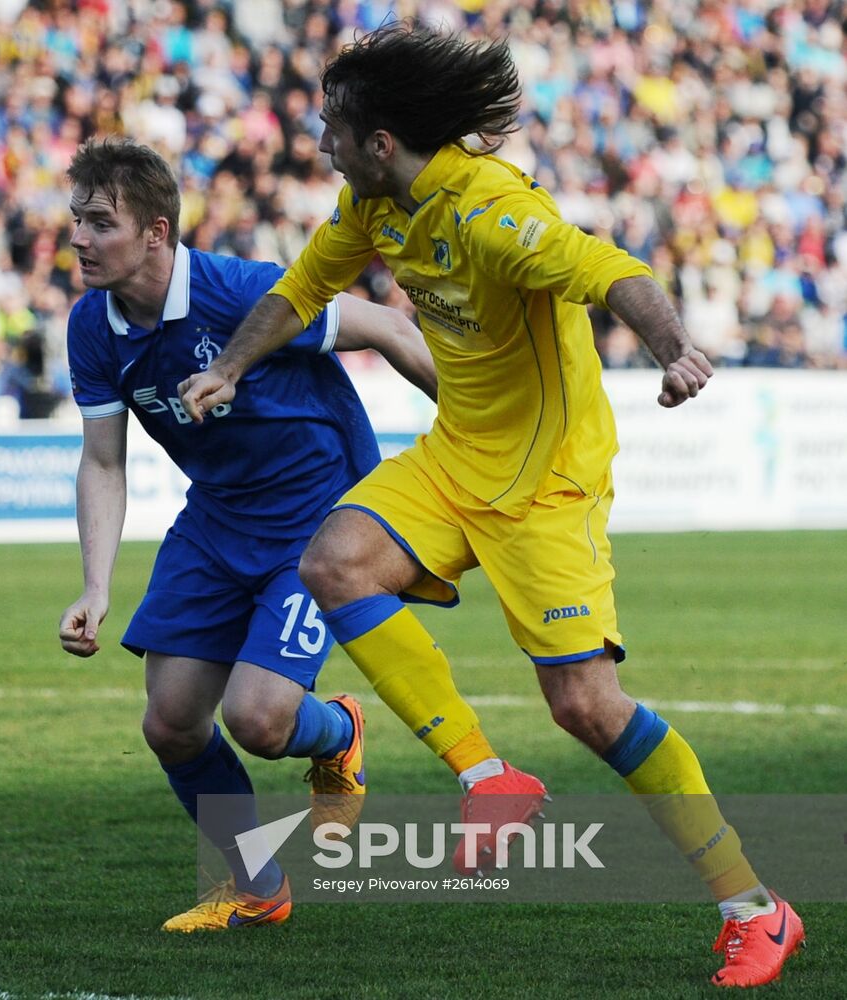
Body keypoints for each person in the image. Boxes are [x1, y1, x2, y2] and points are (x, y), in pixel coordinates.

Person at [179, 23, 801, 987]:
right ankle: (486, 778)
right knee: (333, 559)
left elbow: (610, 271)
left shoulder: (490, 212)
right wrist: (226, 365)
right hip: (456, 453)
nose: (318, 142)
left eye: (333, 128)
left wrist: (672, 347)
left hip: (547, 480)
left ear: (380, 141)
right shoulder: (371, 205)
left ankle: (754, 908)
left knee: (587, 708)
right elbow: (299, 292)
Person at [58, 139, 437, 932]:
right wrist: (95, 586)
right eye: (76, 220)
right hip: (216, 521)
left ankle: (338, 732)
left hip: (315, 524)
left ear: (156, 232)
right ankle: (257, 885)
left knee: (260, 721)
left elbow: (392, 331)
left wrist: (488, 431)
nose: (79, 239)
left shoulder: (242, 290)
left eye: (99, 222)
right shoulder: (90, 328)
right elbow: (102, 461)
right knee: (168, 723)